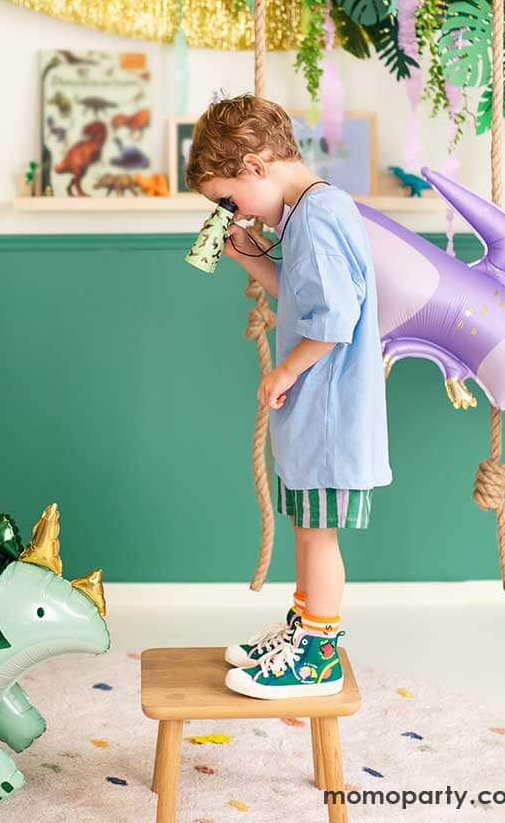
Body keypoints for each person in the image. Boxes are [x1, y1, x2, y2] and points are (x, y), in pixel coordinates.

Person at [185, 94, 392, 699]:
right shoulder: (304, 215)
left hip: (329, 410)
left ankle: (318, 657)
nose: (233, 210)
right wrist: (251, 259)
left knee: (316, 534)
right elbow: (304, 299)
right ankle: (305, 631)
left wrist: (284, 373)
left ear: (255, 164)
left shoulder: (320, 217)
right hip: (317, 410)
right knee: (308, 525)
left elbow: (334, 320)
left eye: (230, 198)